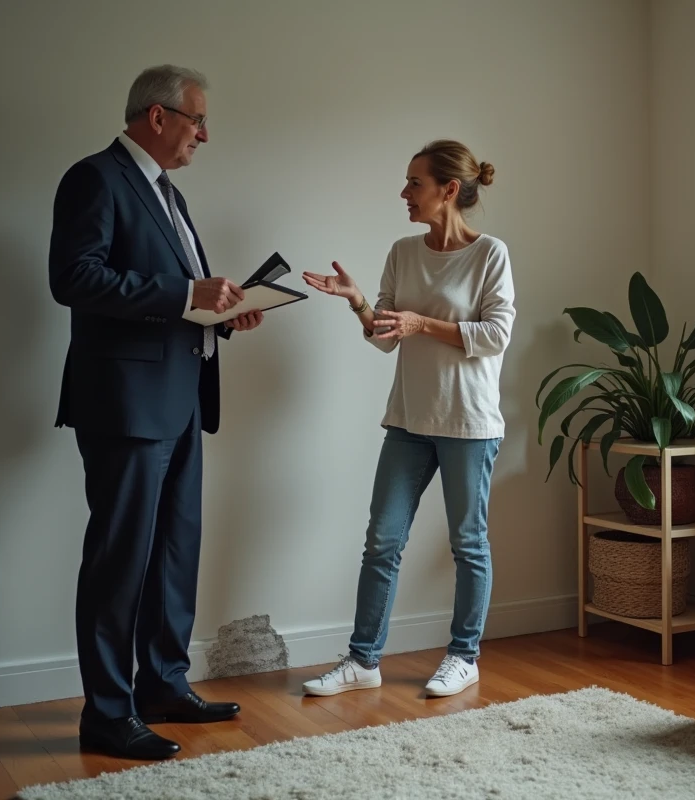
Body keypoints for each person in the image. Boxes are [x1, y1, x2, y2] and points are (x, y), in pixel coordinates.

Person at [48, 64, 263, 760]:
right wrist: (183, 293)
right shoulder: (95, 178)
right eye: (197, 119)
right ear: (158, 116)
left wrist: (224, 315)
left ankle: (164, 685)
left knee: (175, 551)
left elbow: (177, 294)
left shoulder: (166, 191)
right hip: (125, 406)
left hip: (181, 398)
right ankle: (107, 714)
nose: (206, 133)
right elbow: (73, 276)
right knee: (120, 561)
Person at [300, 140, 515, 698]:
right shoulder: (402, 251)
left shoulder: (490, 254)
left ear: (448, 190)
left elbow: (495, 336)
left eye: (414, 184)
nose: (404, 194)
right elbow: (386, 337)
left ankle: (464, 656)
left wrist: (424, 323)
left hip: (469, 424)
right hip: (409, 421)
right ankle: (363, 659)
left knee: (468, 544)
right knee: (382, 541)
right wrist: (357, 303)